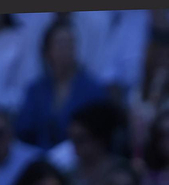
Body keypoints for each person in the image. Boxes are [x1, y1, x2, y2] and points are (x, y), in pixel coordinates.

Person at [13, 20, 108, 151]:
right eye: (60, 44)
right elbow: (24, 129)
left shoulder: (92, 89)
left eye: (70, 44)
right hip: (40, 159)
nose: (65, 49)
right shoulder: (35, 90)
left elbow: (99, 132)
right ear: (47, 51)